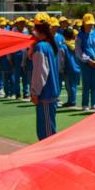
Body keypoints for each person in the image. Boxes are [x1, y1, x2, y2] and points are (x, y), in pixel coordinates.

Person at [29, 13, 60, 141]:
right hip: (49, 92)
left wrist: (35, 92)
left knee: (47, 134)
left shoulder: (41, 47)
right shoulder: (48, 45)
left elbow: (41, 72)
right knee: (46, 130)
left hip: (45, 94)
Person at [75, 13, 95, 111]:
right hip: (85, 64)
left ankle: (94, 103)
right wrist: (88, 60)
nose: (91, 26)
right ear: (84, 24)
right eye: (89, 24)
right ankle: (85, 104)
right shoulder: (79, 36)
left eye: (92, 24)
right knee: (86, 84)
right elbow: (78, 51)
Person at [58, 28, 80, 108]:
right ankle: (71, 100)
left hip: (68, 68)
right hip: (77, 67)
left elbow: (61, 59)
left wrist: (61, 68)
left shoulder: (63, 46)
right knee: (73, 85)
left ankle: (72, 101)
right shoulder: (76, 44)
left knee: (69, 86)